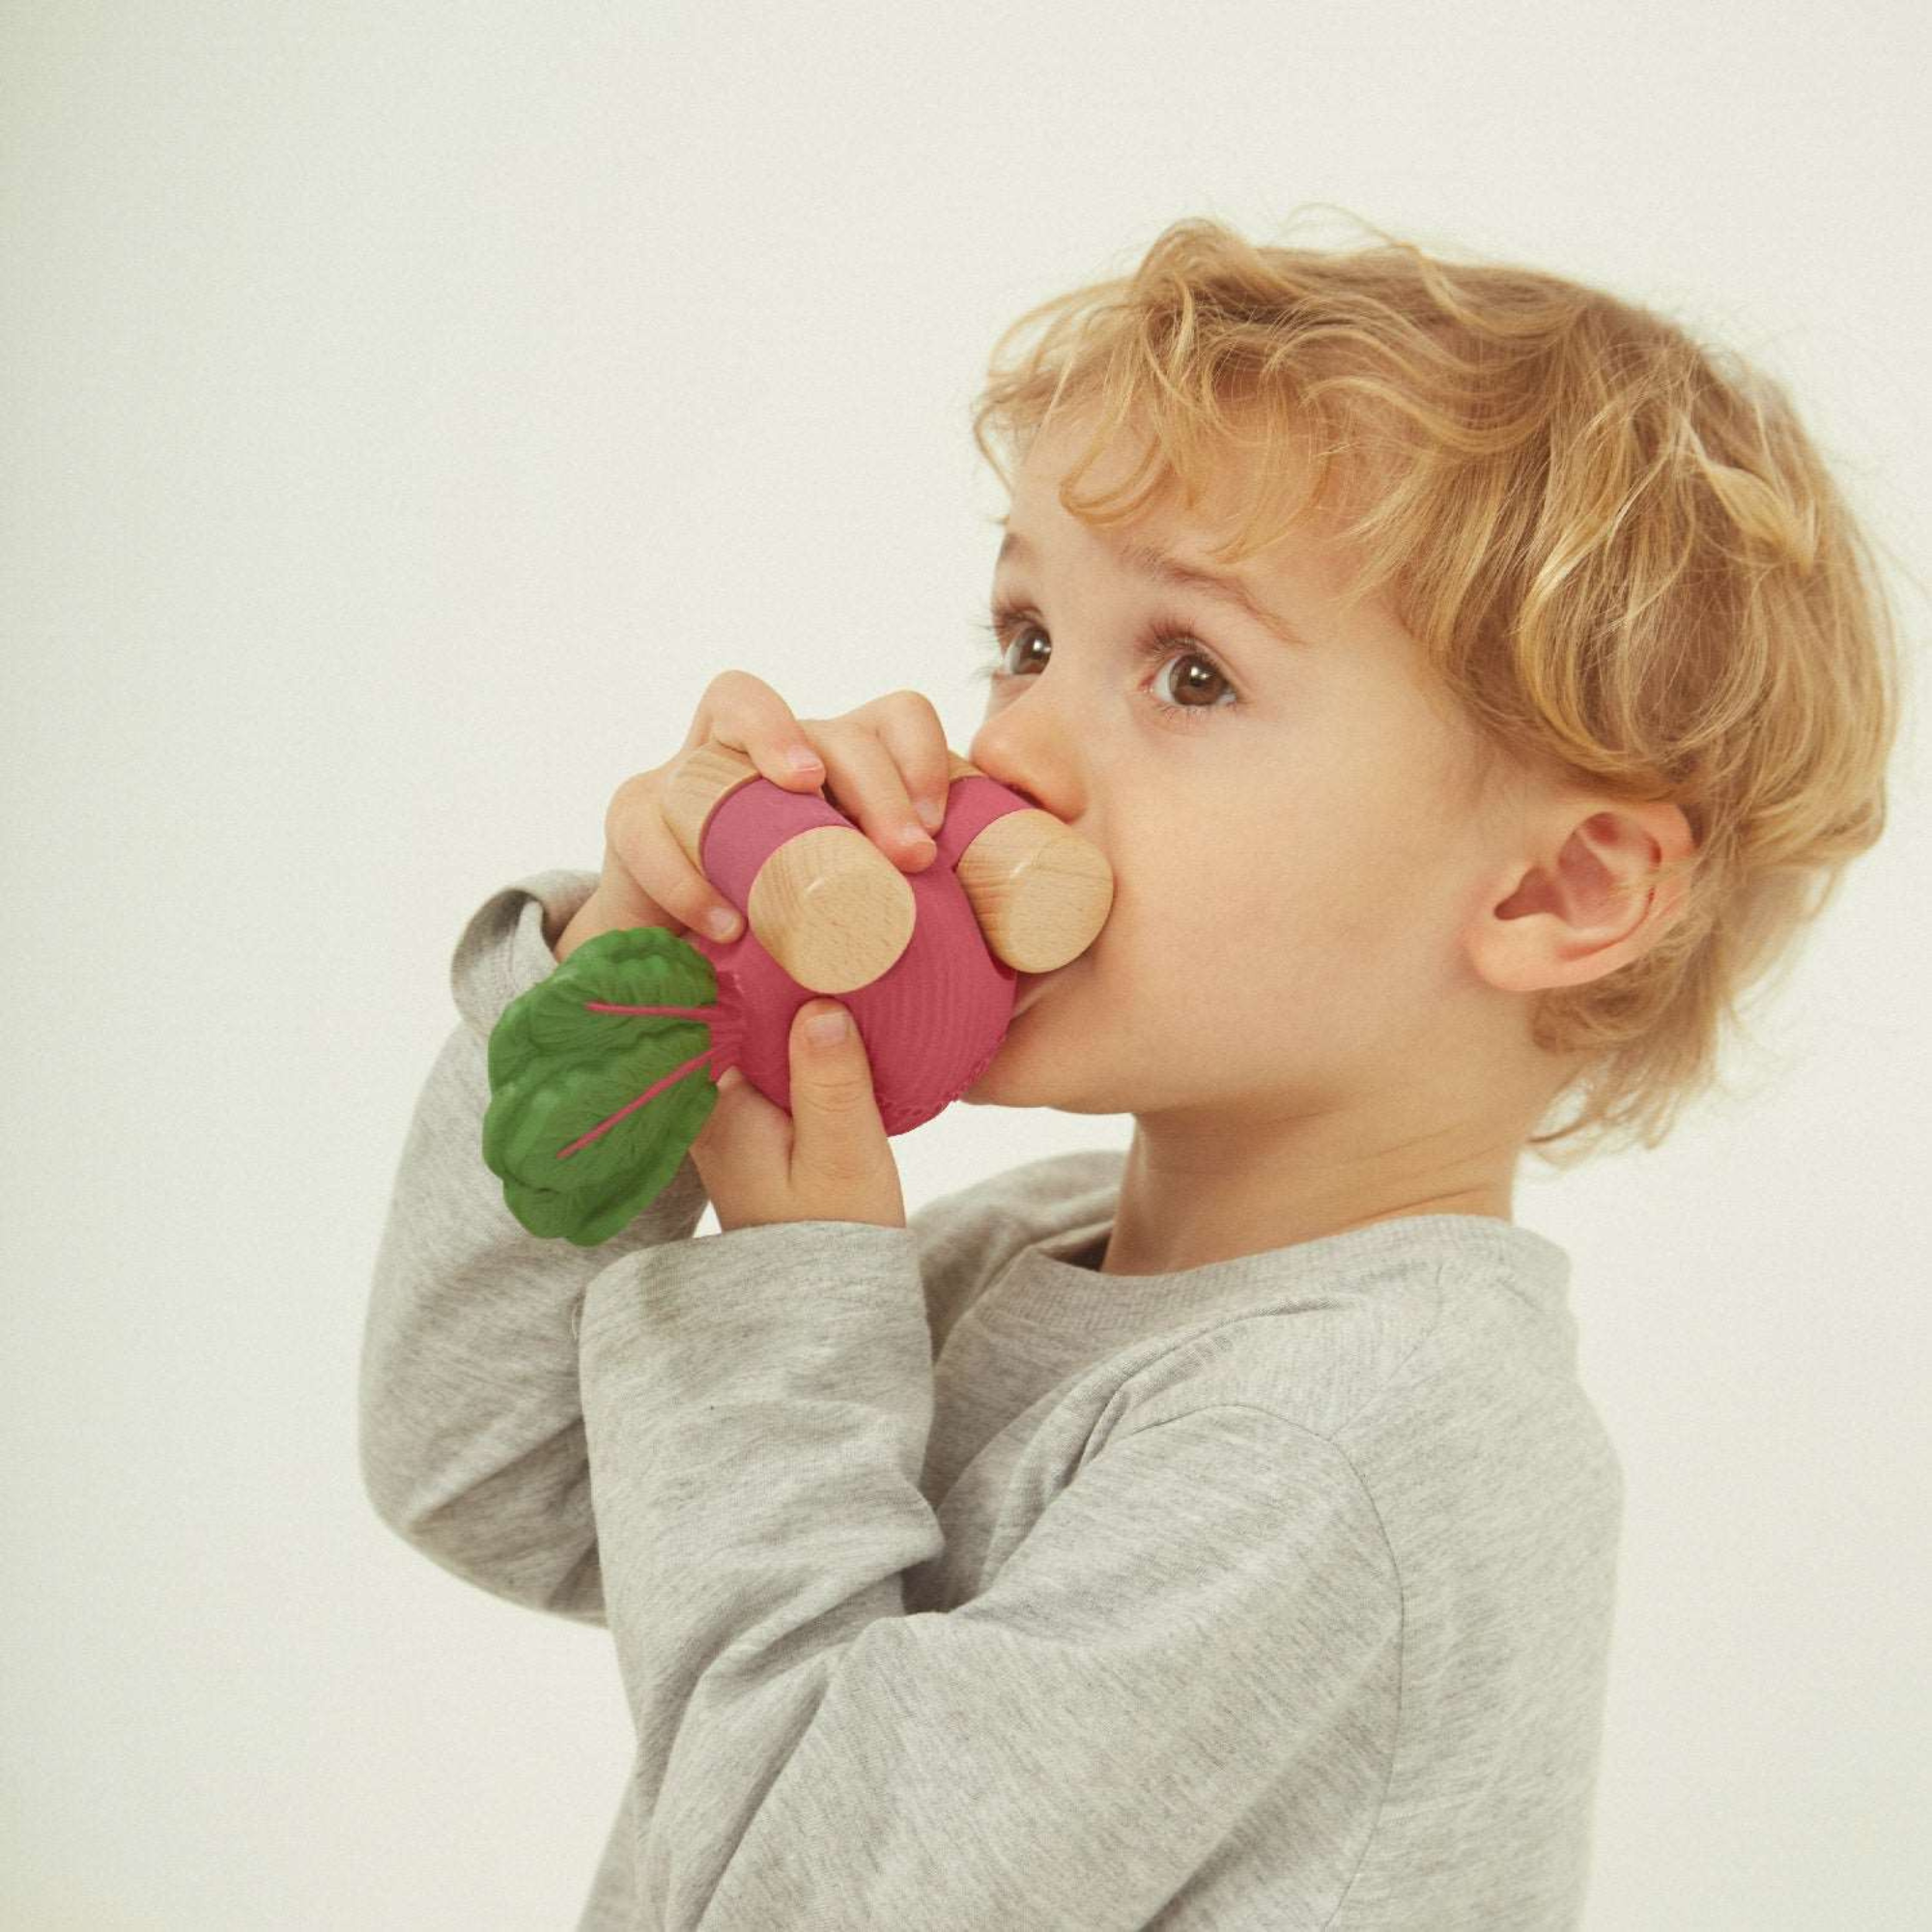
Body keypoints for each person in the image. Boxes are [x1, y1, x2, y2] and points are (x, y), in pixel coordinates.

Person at [359, 211, 1906, 1930]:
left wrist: (792, 1300)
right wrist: (616, 1013)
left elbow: (804, 1891)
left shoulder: (1355, 1439)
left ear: (1559, 890)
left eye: (1189, 674)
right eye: (1027, 636)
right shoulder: (1022, 1259)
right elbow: (487, 1480)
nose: (1008, 747)